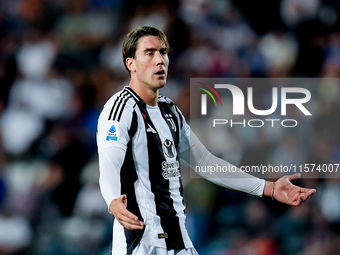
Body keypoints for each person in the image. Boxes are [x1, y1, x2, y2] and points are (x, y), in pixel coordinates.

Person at [96, 26, 316, 255]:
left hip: (179, 243)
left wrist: (268, 188)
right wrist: (113, 200)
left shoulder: (170, 111)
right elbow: (109, 164)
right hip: (141, 244)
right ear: (131, 63)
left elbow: (206, 163)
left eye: (163, 52)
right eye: (149, 53)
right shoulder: (120, 110)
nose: (160, 60)